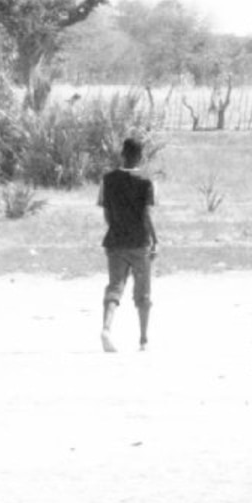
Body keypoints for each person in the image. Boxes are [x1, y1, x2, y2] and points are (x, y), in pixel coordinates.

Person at [99, 136, 158, 353]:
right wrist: (155, 240)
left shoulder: (108, 179)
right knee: (143, 293)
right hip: (139, 243)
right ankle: (143, 339)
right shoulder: (146, 182)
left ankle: (106, 329)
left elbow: (106, 212)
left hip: (115, 242)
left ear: (122, 154)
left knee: (115, 287)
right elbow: (146, 214)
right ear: (141, 156)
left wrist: (116, 227)